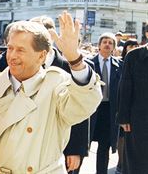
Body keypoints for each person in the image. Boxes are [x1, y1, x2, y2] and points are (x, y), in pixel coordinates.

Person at [0, 12, 102, 173]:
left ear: (42, 56)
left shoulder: (58, 86)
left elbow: (85, 102)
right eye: (10, 48)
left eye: (21, 50)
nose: (12, 56)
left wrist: (75, 60)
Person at [30, 15, 95, 174]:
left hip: (61, 148)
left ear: (50, 35)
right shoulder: (19, 64)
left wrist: (76, 149)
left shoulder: (70, 67)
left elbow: (80, 110)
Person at [90, 33, 122, 174]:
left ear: (114, 47)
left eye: (110, 42)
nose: (107, 44)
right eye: (104, 42)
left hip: (109, 110)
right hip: (90, 110)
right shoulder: (88, 64)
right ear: (99, 45)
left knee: (104, 147)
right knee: (83, 145)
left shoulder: (119, 65)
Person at [118, 45, 148, 173]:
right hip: (139, 121)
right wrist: (123, 118)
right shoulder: (134, 56)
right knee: (137, 163)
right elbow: (125, 87)